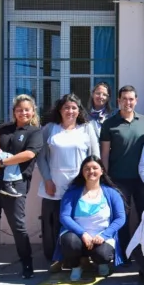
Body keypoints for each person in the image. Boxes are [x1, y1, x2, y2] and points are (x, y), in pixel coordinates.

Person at [0, 94, 43, 282]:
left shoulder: (35, 132)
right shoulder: (2, 129)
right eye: (19, 109)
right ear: (14, 111)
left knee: (18, 226)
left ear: (33, 111)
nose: (23, 112)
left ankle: (27, 264)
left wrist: (1, 163)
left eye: (27, 109)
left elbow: (29, 154)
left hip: (15, 184)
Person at [37, 93, 100, 264]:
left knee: (78, 222)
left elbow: (94, 157)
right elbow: (41, 157)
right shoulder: (50, 128)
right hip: (54, 185)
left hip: (79, 185)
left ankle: (77, 258)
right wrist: (48, 180)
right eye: (66, 107)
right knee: (53, 224)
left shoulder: (87, 128)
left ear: (79, 110)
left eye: (74, 107)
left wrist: (91, 183)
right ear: (60, 109)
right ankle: (55, 259)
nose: (70, 111)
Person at [100, 85, 144, 255]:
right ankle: (123, 252)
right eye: (124, 99)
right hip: (118, 179)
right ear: (118, 101)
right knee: (122, 218)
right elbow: (105, 154)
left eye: (131, 99)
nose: (128, 102)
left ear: (136, 101)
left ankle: (141, 250)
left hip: (142, 179)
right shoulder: (109, 123)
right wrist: (105, 179)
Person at [57, 156, 126, 281]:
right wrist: (82, 233)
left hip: (101, 235)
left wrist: (104, 235)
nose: (91, 171)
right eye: (86, 169)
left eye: (95, 168)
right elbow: (64, 216)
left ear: (102, 171)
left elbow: (120, 218)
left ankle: (102, 264)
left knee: (103, 254)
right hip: (77, 235)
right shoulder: (72, 192)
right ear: (82, 172)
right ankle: (76, 266)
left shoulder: (112, 193)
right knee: (70, 242)